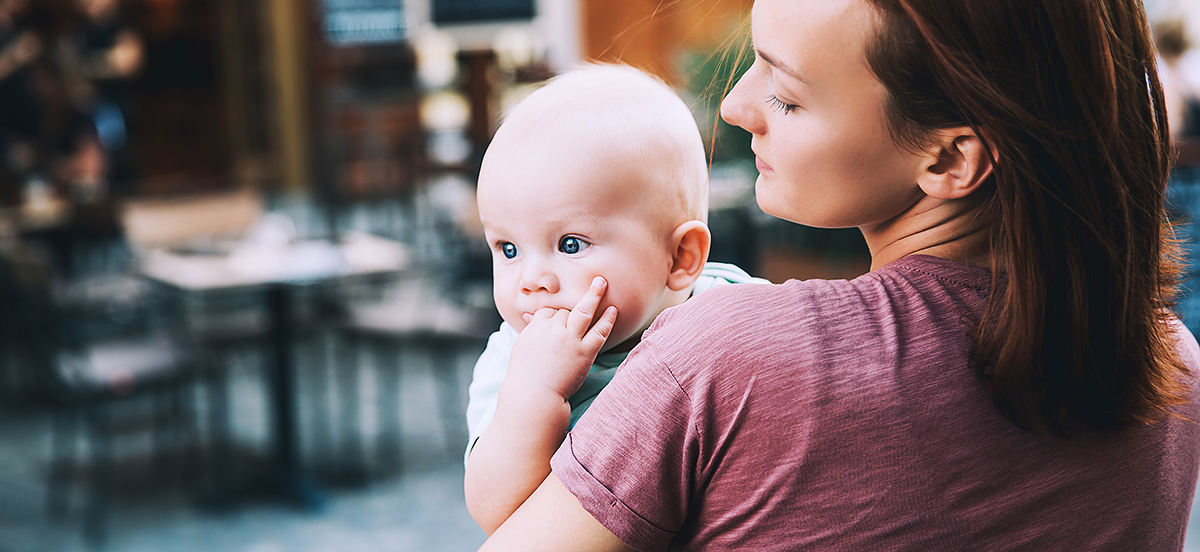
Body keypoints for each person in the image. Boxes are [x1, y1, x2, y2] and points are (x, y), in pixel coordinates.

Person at [479, 0, 1200, 550]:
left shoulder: (724, 358)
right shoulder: (1173, 370)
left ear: (950, 159)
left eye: (787, 96)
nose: (735, 107)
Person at [463, 64, 767, 535]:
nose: (531, 279)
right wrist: (536, 393)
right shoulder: (514, 362)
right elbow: (496, 512)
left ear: (680, 256)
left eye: (569, 244)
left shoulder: (736, 308)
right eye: (507, 248)